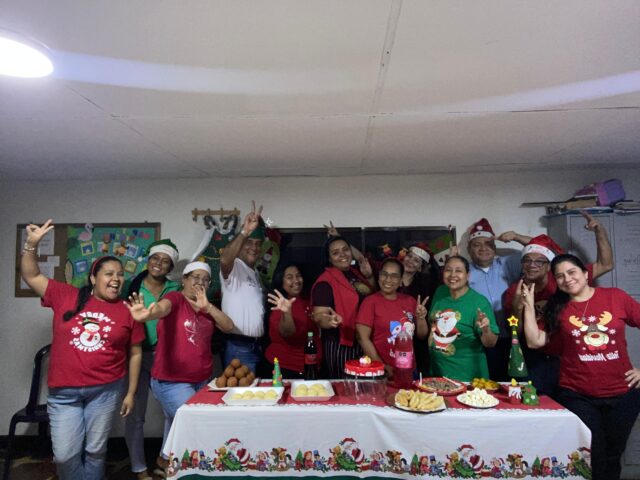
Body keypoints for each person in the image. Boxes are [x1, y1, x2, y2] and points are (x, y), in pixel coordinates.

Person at [20, 220, 144, 480]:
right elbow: (31, 276)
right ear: (93, 278)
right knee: (65, 455)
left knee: (96, 451)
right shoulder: (66, 295)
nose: (116, 279)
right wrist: (31, 245)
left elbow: (135, 352)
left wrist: (131, 393)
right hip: (64, 393)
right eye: (109, 273)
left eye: (120, 274)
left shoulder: (128, 309)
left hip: (106, 390)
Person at [521, 254, 640, 480]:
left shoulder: (615, 297)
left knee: (613, 455)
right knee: (594, 453)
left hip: (623, 393)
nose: (567, 279)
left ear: (586, 274)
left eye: (571, 272)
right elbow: (535, 341)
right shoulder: (558, 308)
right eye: (560, 276)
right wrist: (528, 304)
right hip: (578, 393)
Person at [127, 261, 234, 467]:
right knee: (195, 421)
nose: (200, 282)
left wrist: (208, 307)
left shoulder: (206, 307)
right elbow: (162, 308)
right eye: (195, 277)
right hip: (171, 381)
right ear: (184, 280)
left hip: (201, 381)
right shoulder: (175, 298)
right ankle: (195, 468)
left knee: (175, 422)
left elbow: (228, 326)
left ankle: (165, 459)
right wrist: (149, 314)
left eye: (205, 279)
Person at [503, 212, 614, 396]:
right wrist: (517, 306)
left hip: (568, 354)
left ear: (549, 266)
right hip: (532, 357)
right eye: (527, 260)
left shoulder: (564, 280)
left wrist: (599, 231)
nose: (532, 265)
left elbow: (606, 264)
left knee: (570, 403)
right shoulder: (514, 290)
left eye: (539, 261)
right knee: (534, 404)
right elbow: (516, 332)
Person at [123, 239, 181, 480]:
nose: (159, 263)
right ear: (148, 260)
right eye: (155, 258)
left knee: (172, 412)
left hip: (166, 356)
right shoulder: (131, 286)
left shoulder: (176, 288)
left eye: (165, 261)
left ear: (171, 267)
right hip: (137, 355)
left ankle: (164, 459)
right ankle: (139, 468)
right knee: (136, 415)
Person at [466, 218, 532, 381]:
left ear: (495, 247)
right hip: (480, 341)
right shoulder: (464, 272)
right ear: (469, 249)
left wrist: (516, 237)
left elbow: (542, 249)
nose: (483, 248)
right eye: (477, 244)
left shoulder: (508, 263)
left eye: (488, 244)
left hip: (512, 339)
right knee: (483, 386)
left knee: (512, 385)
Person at [312, 235, 375, 378]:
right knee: (345, 385)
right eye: (335, 253)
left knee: (364, 385)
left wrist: (370, 277)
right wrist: (330, 320)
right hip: (341, 343)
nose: (342, 254)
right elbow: (319, 315)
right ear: (329, 259)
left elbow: (371, 298)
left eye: (345, 249)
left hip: (364, 341)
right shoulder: (325, 282)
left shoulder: (355, 273)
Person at [428, 255, 499, 382]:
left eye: (458, 270)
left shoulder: (479, 302)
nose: (452, 275)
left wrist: (486, 329)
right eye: (448, 270)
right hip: (437, 374)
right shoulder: (440, 292)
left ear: (468, 275)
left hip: (467, 378)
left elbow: (490, 343)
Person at [356, 258, 428, 378]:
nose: (388, 279)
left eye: (394, 276)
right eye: (384, 274)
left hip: (408, 369)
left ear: (400, 281)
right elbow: (362, 337)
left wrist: (421, 318)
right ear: (379, 276)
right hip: (380, 371)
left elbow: (421, 335)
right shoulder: (370, 302)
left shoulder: (410, 301)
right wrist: (381, 365)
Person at [219, 201, 266, 374]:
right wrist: (245, 231)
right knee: (241, 390)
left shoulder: (255, 273)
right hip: (238, 347)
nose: (254, 247)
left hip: (256, 346)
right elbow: (224, 259)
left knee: (254, 390)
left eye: (258, 243)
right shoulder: (235, 266)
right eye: (249, 242)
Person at [265, 264, 321, 378]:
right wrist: (286, 312)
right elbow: (287, 333)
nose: (296, 280)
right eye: (289, 277)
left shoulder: (306, 299)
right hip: (287, 370)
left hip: (311, 366)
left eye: (298, 276)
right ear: (281, 281)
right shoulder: (279, 305)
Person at [398, 243, 441, 376]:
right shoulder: (390, 280)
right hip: (390, 337)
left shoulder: (425, 286)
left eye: (416, 260)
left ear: (420, 267)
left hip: (416, 342)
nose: (410, 261)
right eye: (409, 256)